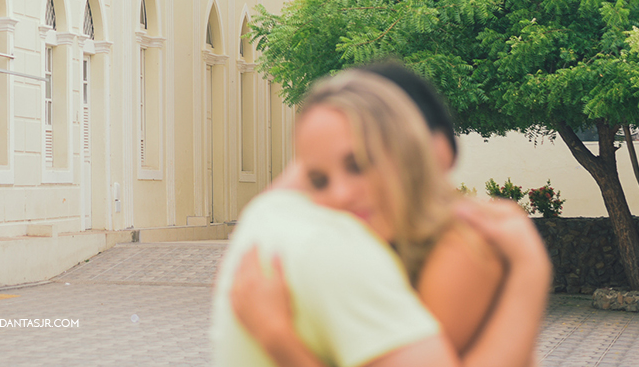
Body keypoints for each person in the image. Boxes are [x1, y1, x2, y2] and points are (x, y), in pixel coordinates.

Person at [210, 68, 551, 367]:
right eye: (319, 180)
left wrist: (278, 337)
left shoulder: (457, 247)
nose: (340, 195)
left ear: (408, 151)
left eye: (358, 164)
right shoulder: (375, 238)